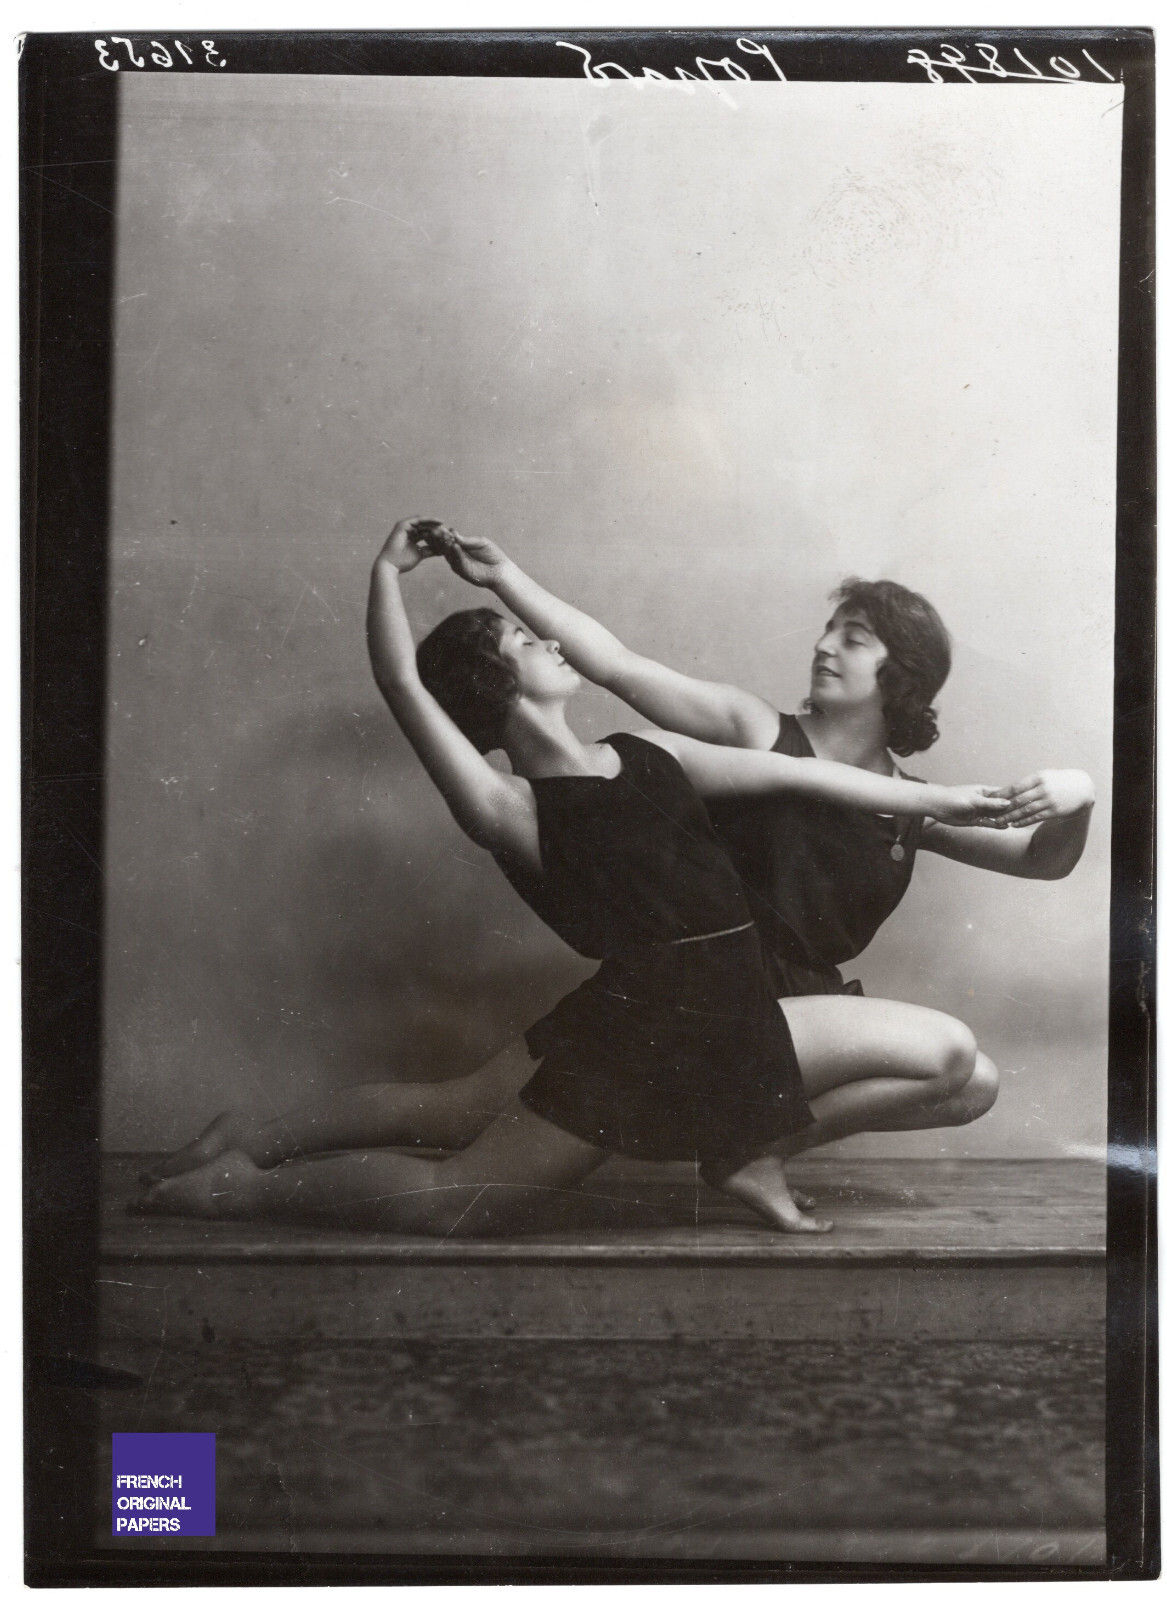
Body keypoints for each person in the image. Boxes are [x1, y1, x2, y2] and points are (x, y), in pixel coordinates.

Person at [139, 520, 1020, 1235]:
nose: (549, 641)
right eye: (525, 642)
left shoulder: (650, 753)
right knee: (457, 1196)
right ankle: (237, 1188)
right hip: (649, 1029)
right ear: (500, 684)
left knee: (456, 1114)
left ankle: (246, 1138)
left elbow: (813, 780)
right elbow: (402, 682)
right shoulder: (507, 809)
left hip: (707, 1010)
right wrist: (383, 574)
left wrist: (942, 800)